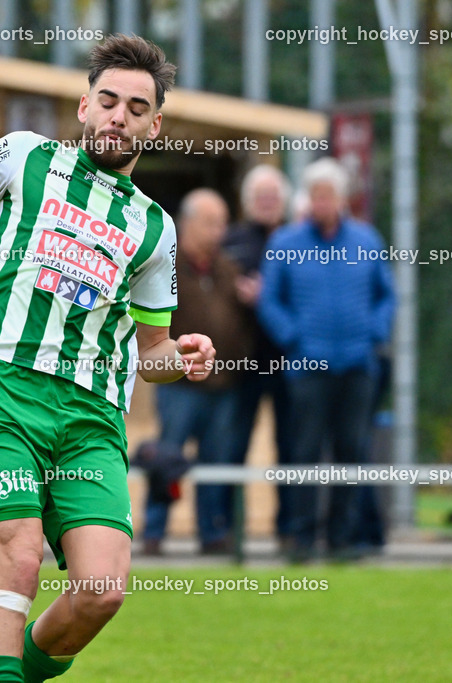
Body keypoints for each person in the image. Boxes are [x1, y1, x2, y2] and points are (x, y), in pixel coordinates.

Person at [0, 33, 216, 683]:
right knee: (18, 566)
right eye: (107, 100)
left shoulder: (154, 227)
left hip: (91, 417)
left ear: (156, 124)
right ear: (83, 107)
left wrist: (183, 356)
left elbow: (151, 351)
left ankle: (14, 670)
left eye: (135, 107)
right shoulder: (24, 157)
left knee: (102, 590)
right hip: (3, 392)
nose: (118, 115)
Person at [259, 157, 395, 563]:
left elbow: (387, 294)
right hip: (307, 367)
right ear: (308, 198)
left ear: (341, 199)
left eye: (329, 195)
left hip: (358, 366)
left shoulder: (367, 241)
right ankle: (301, 539)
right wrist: (294, 338)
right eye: (316, 195)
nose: (323, 203)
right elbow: (269, 300)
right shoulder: (285, 244)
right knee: (304, 451)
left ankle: (342, 539)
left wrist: (375, 331)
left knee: (351, 451)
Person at [142, 188, 251, 556]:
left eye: (222, 223)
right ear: (186, 223)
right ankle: (154, 533)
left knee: (217, 460)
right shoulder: (163, 265)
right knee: (167, 458)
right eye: (210, 223)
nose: (219, 231)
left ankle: (212, 534)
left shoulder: (227, 269)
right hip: (176, 383)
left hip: (222, 384)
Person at [222, 164, 293, 545]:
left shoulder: (299, 240)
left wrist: (271, 295)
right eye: (261, 197)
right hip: (243, 363)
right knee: (235, 446)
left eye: (273, 197)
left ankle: (289, 530)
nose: (267, 203)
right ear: (249, 202)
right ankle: (231, 531)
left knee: (292, 447)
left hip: (289, 361)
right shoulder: (232, 241)